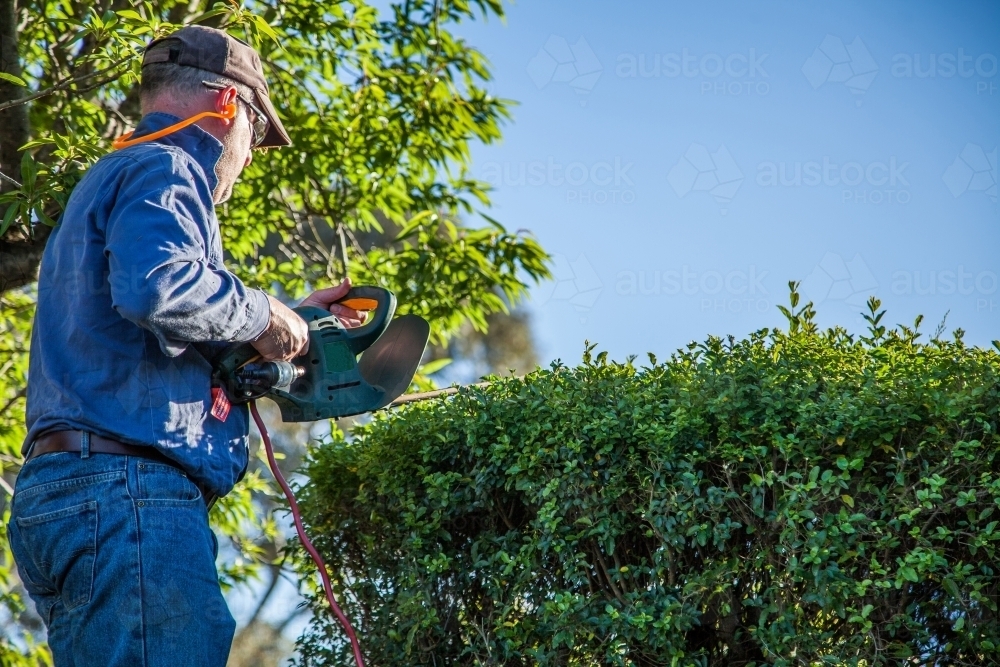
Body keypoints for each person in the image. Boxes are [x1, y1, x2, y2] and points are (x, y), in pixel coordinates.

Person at [6, 25, 363, 666]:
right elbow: (156, 288)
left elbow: (143, 328)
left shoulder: (111, 178)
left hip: (75, 496)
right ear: (228, 105)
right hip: (129, 498)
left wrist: (281, 324)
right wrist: (260, 315)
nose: (250, 156)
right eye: (257, 131)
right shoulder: (167, 166)